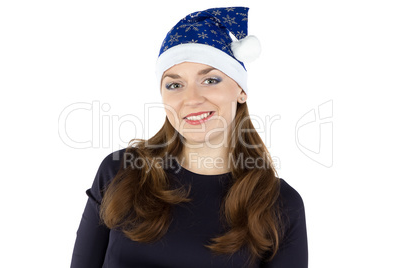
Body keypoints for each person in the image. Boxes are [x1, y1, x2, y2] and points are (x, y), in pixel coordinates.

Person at [71, 6, 308, 268]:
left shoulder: (280, 204)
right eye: (175, 85)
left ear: (241, 90)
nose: (192, 99)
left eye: (210, 80)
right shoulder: (120, 171)